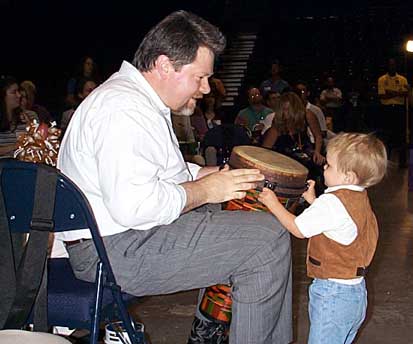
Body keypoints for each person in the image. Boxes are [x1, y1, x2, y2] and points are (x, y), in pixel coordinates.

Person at [56, 10, 292, 344]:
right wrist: (206, 189)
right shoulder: (123, 109)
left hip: (121, 239)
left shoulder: (136, 101)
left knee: (241, 213)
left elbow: (158, 173)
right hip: (114, 251)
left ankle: (208, 333)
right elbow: (136, 207)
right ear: (165, 65)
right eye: (200, 77)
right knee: (268, 241)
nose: (206, 88)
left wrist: (204, 174)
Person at [258, 132, 387, 344]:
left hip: (332, 294)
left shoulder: (333, 203)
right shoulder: (358, 197)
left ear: (348, 176)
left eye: (329, 165)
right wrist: (313, 200)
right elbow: (337, 224)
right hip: (355, 293)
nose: (324, 168)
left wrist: (273, 204)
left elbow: (298, 229)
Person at [377, 57, 409, 168]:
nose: (392, 66)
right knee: (387, 135)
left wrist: (390, 92)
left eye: (394, 64)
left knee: (402, 136)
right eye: (390, 65)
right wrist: (397, 93)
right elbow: (382, 95)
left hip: (399, 109)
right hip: (387, 110)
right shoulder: (382, 79)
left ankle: (402, 162)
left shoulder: (402, 79)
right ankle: (387, 161)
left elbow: (406, 94)